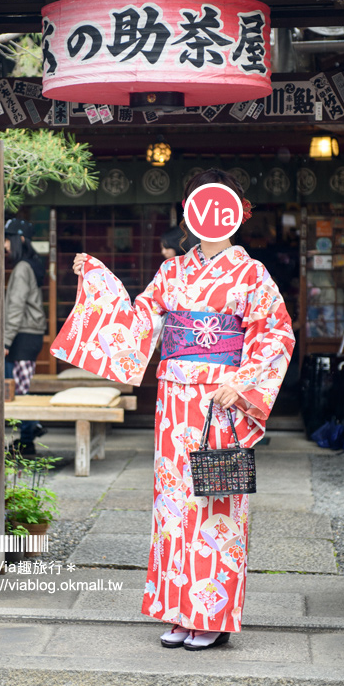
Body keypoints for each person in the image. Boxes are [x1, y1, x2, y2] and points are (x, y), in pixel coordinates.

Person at [50, 168, 295, 651]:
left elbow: (276, 334)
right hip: (174, 404)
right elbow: (139, 324)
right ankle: (179, 610)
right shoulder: (172, 272)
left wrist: (241, 380)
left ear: (236, 212)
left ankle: (213, 613)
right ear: (190, 213)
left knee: (215, 501)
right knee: (172, 506)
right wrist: (97, 279)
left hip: (220, 404)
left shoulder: (251, 274)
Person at [4, 218, 47, 455]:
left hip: (23, 335)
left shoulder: (22, 268)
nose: (4, 245)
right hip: (28, 334)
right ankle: (28, 435)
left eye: (7, 239)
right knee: (20, 387)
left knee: (17, 390)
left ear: (20, 239)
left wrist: (7, 341)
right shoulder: (31, 264)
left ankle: (30, 432)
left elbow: (16, 307)